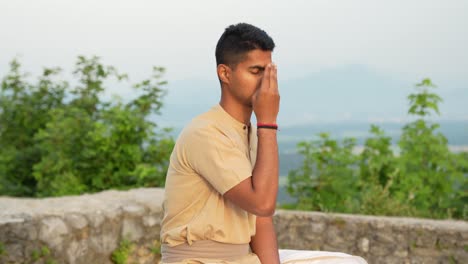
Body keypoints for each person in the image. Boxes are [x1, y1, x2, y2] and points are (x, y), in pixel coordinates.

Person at [160, 23, 368, 264]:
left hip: (244, 258)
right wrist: (268, 121)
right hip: (200, 261)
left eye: (269, 71)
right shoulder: (206, 132)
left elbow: (261, 219)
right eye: (256, 71)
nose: (266, 82)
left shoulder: (248, 132)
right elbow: (263, 204)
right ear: (225, 73)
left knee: (349, 262)